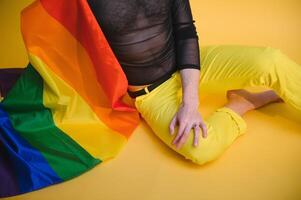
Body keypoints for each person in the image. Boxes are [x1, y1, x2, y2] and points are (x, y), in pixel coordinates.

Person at [1, 0, 300, 165]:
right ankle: (241, 103)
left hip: (190, 67)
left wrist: (191, 102)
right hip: (150, 93)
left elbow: (185, 32)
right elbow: (62, 42)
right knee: (200, 150)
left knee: (270, 59)